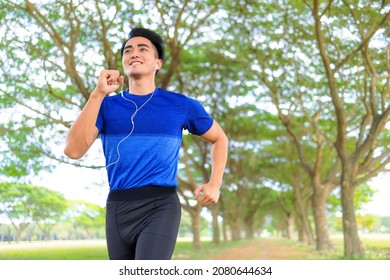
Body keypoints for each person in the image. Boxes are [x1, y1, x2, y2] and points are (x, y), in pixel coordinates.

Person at [63, 27, 228, 260]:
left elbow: (220, 138)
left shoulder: (181, 105)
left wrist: (215, 183)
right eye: (128, 50)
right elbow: (73, 150)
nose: (134, 54)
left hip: (160, 205)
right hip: (118, 207)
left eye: (143, 49)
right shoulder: (105, 106)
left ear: (157, 63)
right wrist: (98, 94)